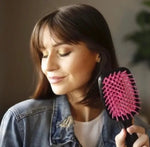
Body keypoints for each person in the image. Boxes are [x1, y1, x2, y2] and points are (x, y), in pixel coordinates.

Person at [0, 4, 149, 147]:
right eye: (44, 55)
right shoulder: (21, 122)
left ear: (97, 53)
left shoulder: (138, 130)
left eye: (63, 53)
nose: (48, 66)